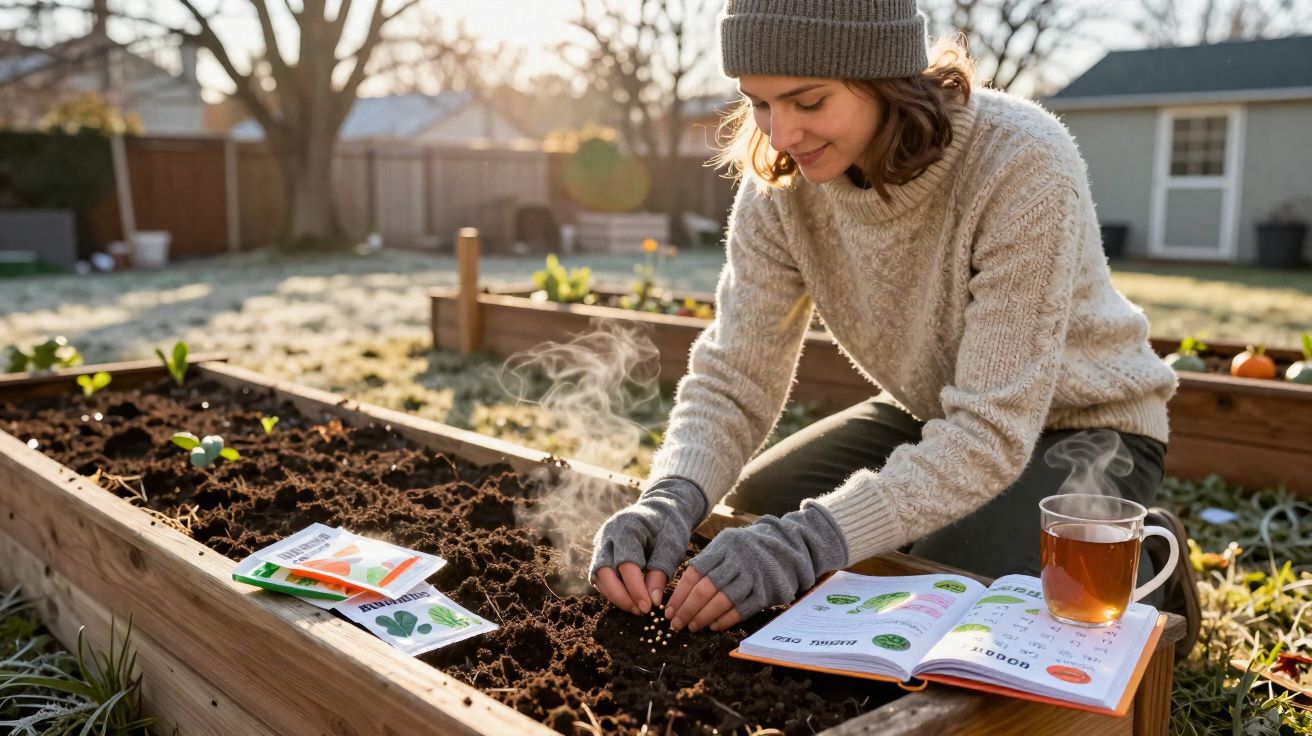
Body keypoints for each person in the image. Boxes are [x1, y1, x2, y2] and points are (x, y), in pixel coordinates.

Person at [588, 0, 1200, 652]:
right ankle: (934, 526)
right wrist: (670, 495)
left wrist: (817, 540)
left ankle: (1134, 561)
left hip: (1087, 426)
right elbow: (736, 372)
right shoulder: (779, 188)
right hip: (933, 411)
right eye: (759, 103)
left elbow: (991, 430)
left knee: (946, 584)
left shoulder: (1021, 161)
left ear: (886, 78)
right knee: (754, 508)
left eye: (808, 101)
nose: (781, 134)